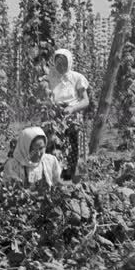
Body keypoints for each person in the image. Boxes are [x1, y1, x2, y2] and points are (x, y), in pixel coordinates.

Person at [44, 48, 90, 181]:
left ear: (69, 63)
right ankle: (58, 177)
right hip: (55, 118)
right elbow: (45, 98)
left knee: (78, 144)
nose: (61, 66)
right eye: (58, 63)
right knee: (55, 145)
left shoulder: (77, 78)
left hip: (73, 116)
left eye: (64, 63)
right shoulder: (50, 78)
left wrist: (72, 108)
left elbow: (85, 101)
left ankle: (79, 179)